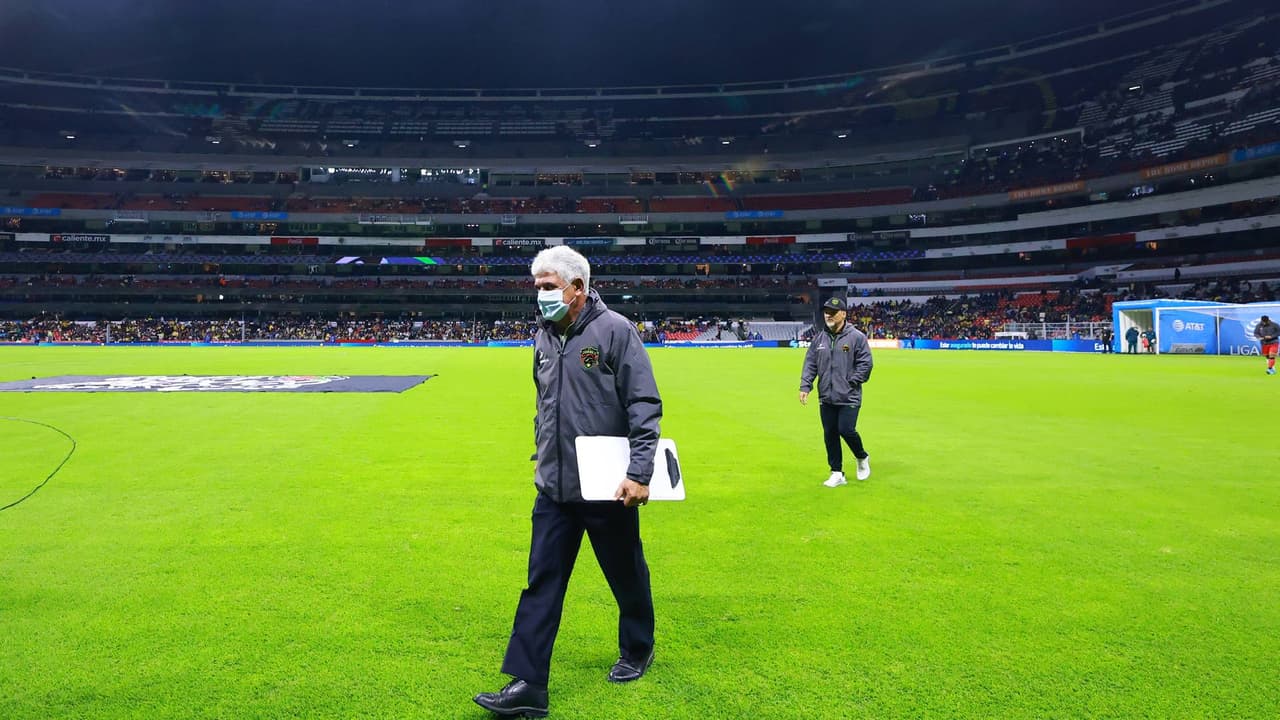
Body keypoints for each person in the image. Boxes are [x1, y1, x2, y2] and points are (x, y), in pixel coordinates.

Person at [474, 246, 662, 718]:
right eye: (537, 286)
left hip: (606, 486)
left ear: (577, 287)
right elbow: (545, 404)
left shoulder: (616, 331)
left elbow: (643, 404)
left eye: (548, 286)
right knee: (542, 583)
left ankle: (638, 647)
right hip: (554, 488)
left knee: (624, 573)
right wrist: (542, 453)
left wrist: (639, 472)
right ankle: (528, 685)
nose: (540, 295)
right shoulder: (541, 336)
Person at [799, 296, 874, 487]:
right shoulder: (820, 338)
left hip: (849, 394)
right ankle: (837, 472)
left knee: (846, 430)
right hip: (826, 395)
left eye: (833, 313)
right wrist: (805, 386)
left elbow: (866, 364)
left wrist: (853, 381)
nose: (828, 316)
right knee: (830, 433)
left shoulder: (857, 337)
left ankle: (861, 457)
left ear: (843, 314)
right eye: (826, 312)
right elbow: (810, 363)